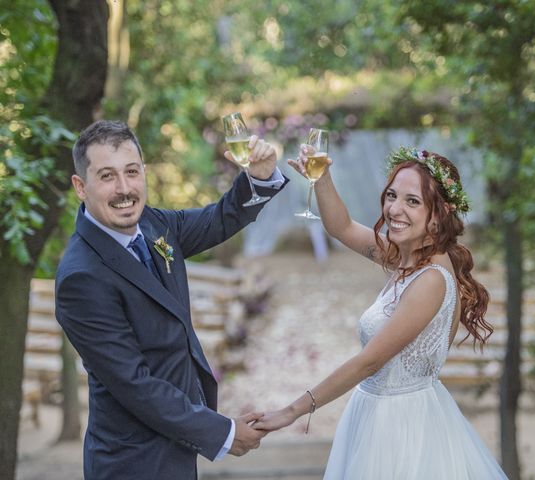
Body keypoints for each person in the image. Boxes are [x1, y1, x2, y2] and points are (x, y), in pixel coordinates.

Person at [254, 145, 508, 479]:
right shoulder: (407, 258)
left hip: (402, 428)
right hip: (375, 414)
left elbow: (370, 361)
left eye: (412, 201)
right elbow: (342, 227)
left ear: (439, 214)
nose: (394, 209)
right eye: (391, 196)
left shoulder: (431, 279)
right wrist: (323, 178)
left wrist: (292, 411)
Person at [55, 119, 287, 480]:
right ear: (80, 186)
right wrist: (223, 433)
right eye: (107, 176)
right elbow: (136, 384)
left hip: (176, 445)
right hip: (132, 462)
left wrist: (257, 178)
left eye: (132, 172)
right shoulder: (81, 278)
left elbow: (217, 220)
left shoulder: (151, 224)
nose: (124, 189)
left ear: (144, 171)